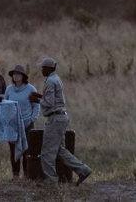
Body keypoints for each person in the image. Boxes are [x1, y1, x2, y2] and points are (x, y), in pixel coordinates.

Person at [31, 56, 92, 185]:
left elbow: (49, 102)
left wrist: (36, 100)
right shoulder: (56, 79)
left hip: (54, 119)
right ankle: (83, 170)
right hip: (61, 117)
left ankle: (51, 180)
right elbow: (54, 99)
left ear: (48, 68)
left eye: (43, 67)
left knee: (47, 151)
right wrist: (41, 96)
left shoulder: (50, 81)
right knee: (60, 150)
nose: (41, 70)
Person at [5, 64, 39, 177]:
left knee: (27, 150)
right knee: (13, 150)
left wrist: (32, 119)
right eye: (14, 74)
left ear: (23, 76)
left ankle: (26, 174)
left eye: (18, 74)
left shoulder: (31, 89)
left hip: (27, 124)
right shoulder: (9, 89)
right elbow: (4, 105)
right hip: (12, 125)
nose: (16, 76)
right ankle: (15, 174)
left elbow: (36, 106)